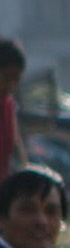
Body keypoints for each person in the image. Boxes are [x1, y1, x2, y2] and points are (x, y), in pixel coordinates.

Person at [0, 38, 23, 174]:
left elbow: (15, 145)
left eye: (16, 80)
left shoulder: (8, 104)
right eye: (6, 78)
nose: (11, 85)